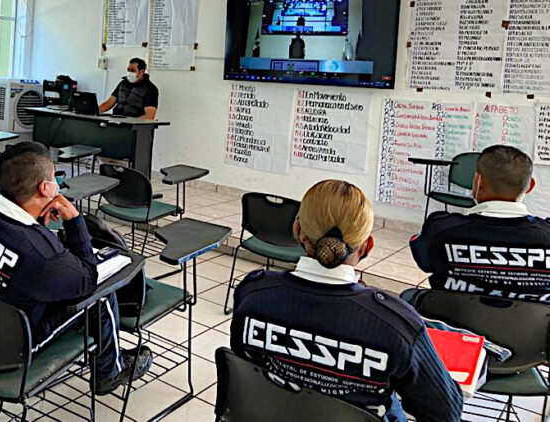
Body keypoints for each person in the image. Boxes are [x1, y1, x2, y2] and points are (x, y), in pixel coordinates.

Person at [230, 180, 462, 422]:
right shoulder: (396, 326)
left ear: (297, 229)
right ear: (366, 247)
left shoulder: (253, 293)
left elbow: (246, 366)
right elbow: (446, 413)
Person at [0, 141, 152, 394]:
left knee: (60, 280)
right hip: (9, 344)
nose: (57, 184)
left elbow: (11, 242)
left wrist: (37, 225)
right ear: (45, 188)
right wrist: (74, 221)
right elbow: (88, 279)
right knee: (100, 294)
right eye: (54, 179)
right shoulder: (42, 257)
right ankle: (110, 371)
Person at [408, 144, 550, 303]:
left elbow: (425, 262)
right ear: (529, 186)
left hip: (450, 322)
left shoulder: (441, 228)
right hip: (530, 326)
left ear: (477, 180)